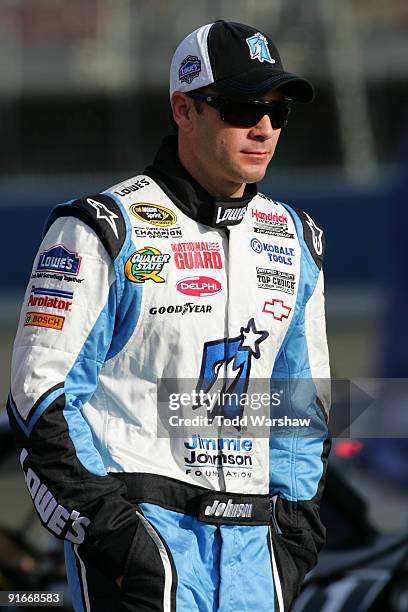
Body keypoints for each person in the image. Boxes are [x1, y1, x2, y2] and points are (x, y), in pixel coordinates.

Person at [7, 20, 331, 612]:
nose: (263, 128)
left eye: (278, 111)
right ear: (184, 110)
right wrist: (124, 544)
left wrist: (294, 540)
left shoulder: (295, 239)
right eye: (240, 107)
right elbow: (40, 397)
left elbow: (301, 409)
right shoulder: (102, 229)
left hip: (257, 558)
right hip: (144, 549)